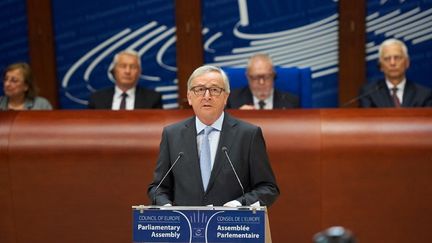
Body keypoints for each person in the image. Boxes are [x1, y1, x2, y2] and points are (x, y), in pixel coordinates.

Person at [148, 65, 279, 207]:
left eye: (215, 90)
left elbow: (268, 188)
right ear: (189, 97)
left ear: (226, 97)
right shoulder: (172, 135)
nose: (207, 96)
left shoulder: (248, 135)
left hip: (232, 225)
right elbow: (158, 187)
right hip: (186, 224)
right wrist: (166, 206)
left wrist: (239, 204)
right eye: (199, 90)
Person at [359, 39, 432, 107]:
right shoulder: (369, 93)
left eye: (397, 57)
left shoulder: (423, 94)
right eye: (387, 59)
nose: (392, 63)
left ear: (407, 63)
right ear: (380, 65)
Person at [88, 50, 162, 109]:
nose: (127, 71)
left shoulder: (152, 99)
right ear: (114, 70)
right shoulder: (97, 99)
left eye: (133, 67)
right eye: (123, 66)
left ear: (139, 71)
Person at [226, 53, 299, 109]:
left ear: (274, 76)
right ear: (247, 77)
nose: (261, 82)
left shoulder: (291, 102)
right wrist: (237, 117)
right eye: (255, 77)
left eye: (267, 77)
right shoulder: (232, 100)